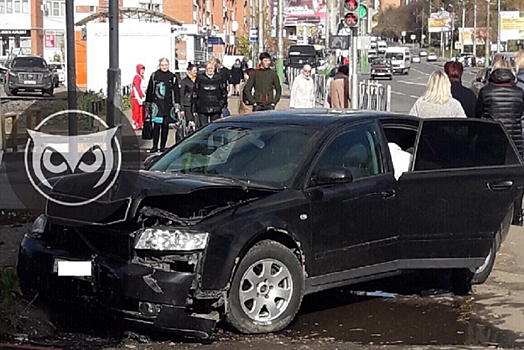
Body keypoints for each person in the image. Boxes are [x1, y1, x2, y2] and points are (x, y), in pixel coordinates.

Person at [475, 59, 524, 156]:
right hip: (513, 143)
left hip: (489, 142)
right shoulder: (519, 92)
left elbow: (477, 115)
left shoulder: (485, 91)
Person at [145, 57, 181, 153]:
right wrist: (147, 105)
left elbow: (176, 92)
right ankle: (155, 146)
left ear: (168, 65)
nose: (164, 67)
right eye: (162, 65)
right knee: (156, 127)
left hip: (167, 107)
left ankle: (162, 147)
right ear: (159, 65)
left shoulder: (172, 77)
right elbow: (149, 91)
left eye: (166, 65)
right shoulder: (154, 76)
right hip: (157, 107)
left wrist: (177, 105)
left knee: (165, 127)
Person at [193, 61, 227, 128]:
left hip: (216, 107)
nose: (210, 70)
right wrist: (195, 107)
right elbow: (195, 92)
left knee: (215, 128)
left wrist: (221, 104)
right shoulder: (200, 78)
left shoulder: (220, 78)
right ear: (206, 68)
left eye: (212, 68)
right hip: (202, 107)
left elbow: (224, 93)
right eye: (208, 68)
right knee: (203, 128)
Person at [180, 63, 198, 135]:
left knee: (196, 122)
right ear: (189, 71)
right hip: (188, 104)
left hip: (196, 104)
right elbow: (181, 95)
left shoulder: (198, 80)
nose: (196, 72)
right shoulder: (185, 81)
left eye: (196, 70)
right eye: (194, 70)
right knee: (190, 122)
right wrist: (182, 109)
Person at [131, 63, 146, 130]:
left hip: (141, 97)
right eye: (141, 69)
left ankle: (140, 123)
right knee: (136, 111)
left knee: (141, 111)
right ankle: (135, 123)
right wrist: (141, 95)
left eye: (143, 69)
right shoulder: (137, 77)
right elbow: (137, 87)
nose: (142, 71)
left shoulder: (142, 77)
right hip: (136, 97)